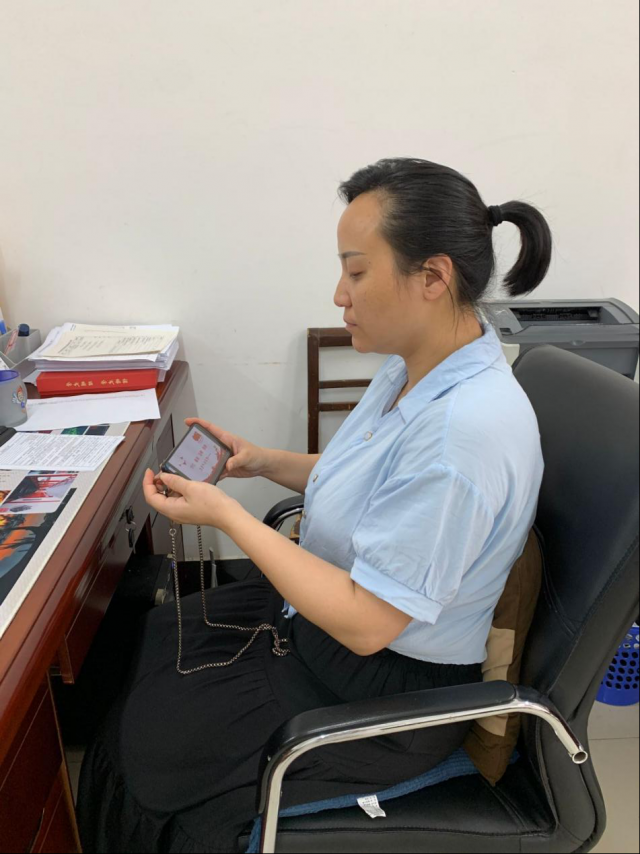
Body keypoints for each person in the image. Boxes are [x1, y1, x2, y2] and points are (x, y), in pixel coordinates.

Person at [77, 158, 549, 853]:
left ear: (433, 277)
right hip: (322, 626)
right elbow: (375, 481)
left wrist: (229, 517)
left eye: (356, 272)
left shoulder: (464, 433)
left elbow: (368, 623)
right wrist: (262, 462)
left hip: (386, 688)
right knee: (153, 641)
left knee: (158, 761)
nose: (339, 294)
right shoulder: (417, 366)